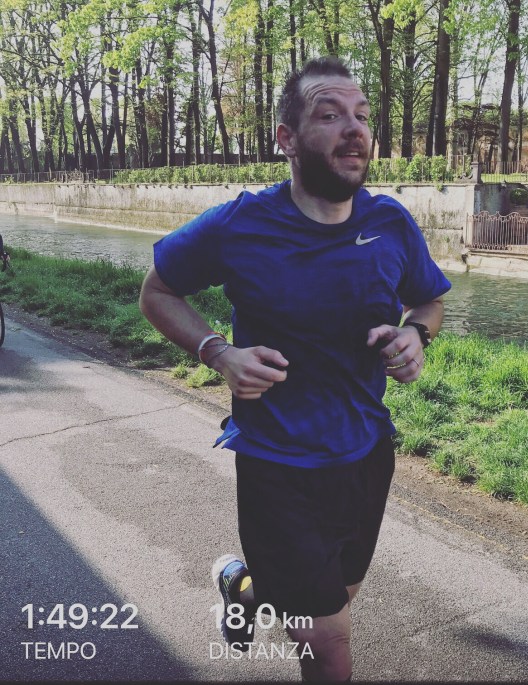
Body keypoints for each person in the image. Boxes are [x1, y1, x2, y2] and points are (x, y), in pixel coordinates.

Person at [139, 56, 451, 682]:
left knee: (334, 597)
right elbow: (157, 292)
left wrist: (415, 334)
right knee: (329, 643)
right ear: (287, 138)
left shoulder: (390, 223)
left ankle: (245, 589)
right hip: (276, 466)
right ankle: (268, 592)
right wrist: (218, 352)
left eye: (362, 116)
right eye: (330, 115)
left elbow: (430, 301)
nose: (354, 129)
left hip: (366, 454)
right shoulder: (240, 224)